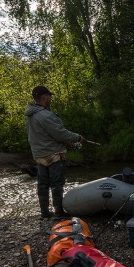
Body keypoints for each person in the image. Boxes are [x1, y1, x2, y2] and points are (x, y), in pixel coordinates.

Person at [25, 85, 84, 218]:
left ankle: (45, 212)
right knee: (57, 184)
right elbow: (60, 133)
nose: (50, 98)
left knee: (43, 184)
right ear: (44, 97)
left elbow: (44, 133)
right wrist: (77, 137)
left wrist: (65, 140)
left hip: (39, 155)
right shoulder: (45, 114)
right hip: (54, 154)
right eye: (49, 96)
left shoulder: (30, 114)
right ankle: (59, 212)